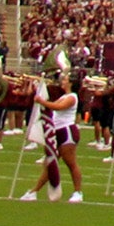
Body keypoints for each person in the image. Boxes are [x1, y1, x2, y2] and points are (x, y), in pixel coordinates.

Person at [22, 68, 84, 203]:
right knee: (50, 164)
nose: (63, 81)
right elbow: (53, 105)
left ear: (71, 83)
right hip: (57, 132)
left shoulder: (72, 97)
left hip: (67, 131)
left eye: (66, 80)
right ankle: (34, 191)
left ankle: (78, 192)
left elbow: (58, 107)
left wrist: (41, 101)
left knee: (71, 163)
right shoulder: (64, 96)